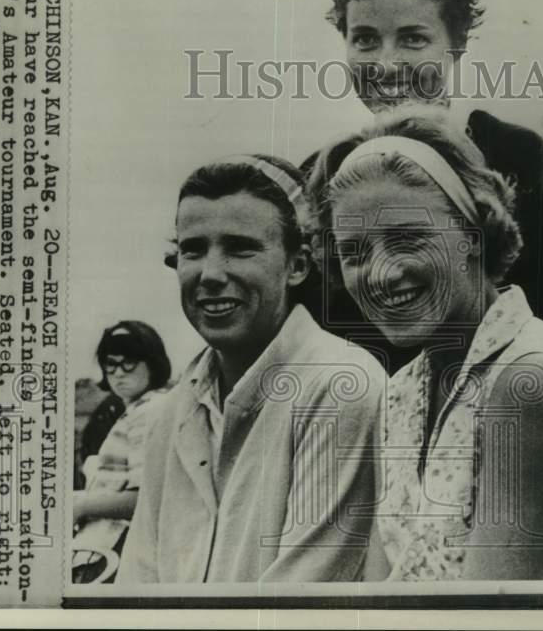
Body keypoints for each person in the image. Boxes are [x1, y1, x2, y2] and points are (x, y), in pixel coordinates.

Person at [307, 0, 543, 386]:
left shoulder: (523, 161)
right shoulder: (325, 179)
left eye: (413, 38)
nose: (386, 64)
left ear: (458, 42)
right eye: (365, 39)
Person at [306, 105, 543, 580]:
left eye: (408, 238)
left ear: (474, 231)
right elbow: (381, 591)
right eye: (354, 251)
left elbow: (485, 617)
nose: (382, 272)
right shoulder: (402, 390)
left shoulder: (534, 378)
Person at [117, 156, 385, 583]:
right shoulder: (171, 412)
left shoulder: (340, 385)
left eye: (240, 248)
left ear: (298, 265)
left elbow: (299, 604)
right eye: (193, 250)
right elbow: (137, 586)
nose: (210, 274)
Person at [71, 321, 171, 583]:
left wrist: (78, 504)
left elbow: (146, 499)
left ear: (152, 363)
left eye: (130, 362)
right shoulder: (137, 410)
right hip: (110, 545)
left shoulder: (150, 411)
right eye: (111, 363)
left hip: (121, 550)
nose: (119, 373)